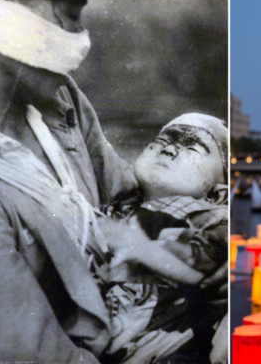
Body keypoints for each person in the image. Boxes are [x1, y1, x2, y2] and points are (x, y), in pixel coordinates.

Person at [0, 0, 138, 361]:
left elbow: (127, 201)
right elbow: (33, 352)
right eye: (69, 13)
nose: (81, 40)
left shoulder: (60, 101)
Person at [100, 113, 228, 364]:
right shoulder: (113, 210)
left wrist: (139, 247)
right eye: (161, 141)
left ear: (215, 195)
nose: (169, 149)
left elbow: (209, 263)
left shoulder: (214, 218)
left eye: (192, 147)